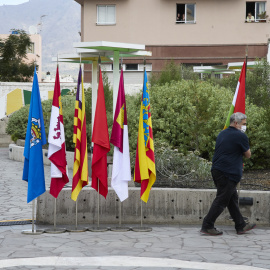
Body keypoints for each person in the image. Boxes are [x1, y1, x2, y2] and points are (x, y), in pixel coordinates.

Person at [200, 112, 256, 236]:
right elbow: (248, 155)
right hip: (228, 172)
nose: (244, 126)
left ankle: (240, 225)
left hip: (218, 170)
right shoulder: (241, 136)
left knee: (232, 199)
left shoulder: (222, 133)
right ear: (236, 123)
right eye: (244, 124)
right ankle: (207, 225)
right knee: (222, 200)